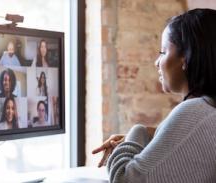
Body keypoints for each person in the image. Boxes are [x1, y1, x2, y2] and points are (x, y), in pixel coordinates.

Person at [92, 9, 216, 183]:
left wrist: (137, 132)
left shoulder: (195, 110)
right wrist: (155, 135)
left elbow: (124, 179)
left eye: (163, 52)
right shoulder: (208, 109)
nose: (156, 62)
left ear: (185, 59)